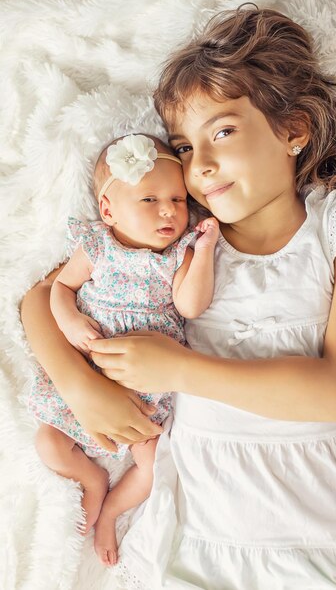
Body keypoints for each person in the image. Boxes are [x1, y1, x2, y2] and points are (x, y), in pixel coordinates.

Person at [21, 6, 336, 589]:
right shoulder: (177, 236)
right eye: (184, 148)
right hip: (194, 518)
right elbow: (39, 300)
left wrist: (180, 369)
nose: (201, 166)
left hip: (311, 524)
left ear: (293, 129)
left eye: (221, 131)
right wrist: (79, 386)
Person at [27, 132, 219, 568]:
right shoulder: (97, 247)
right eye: (149, 200)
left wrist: (204, 250)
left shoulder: (178, 254)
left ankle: (112, 508)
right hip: (86, 366)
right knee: (48, 442)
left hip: (142, 386)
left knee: (152, 465)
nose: (169, 210)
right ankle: (91, 479)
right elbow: (59, 288)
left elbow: (191, 304)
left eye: (177, 198)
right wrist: (71, 320)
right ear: (108, 211)